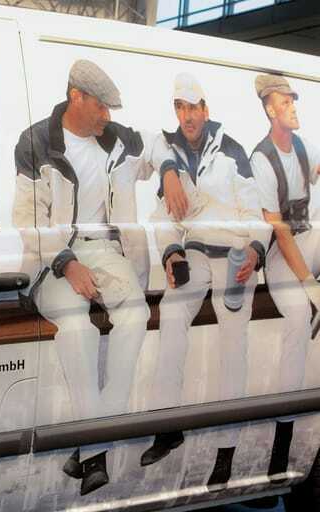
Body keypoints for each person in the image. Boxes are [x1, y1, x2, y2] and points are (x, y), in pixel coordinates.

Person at [13, 59, 185, 496]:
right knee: (77, 329)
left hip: (109, 251)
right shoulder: (37, 142)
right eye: (102, 106)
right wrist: (68, 263)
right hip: (55, 253)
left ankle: (92, 447)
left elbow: (162, 145)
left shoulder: (119, 140)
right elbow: (27, 219)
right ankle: (96, 451)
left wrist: (167, 172)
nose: (108, 115)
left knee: (133, 316)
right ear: (77, 97)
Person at [141, 73, 270, 492]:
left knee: (232, 346)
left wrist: (254, 248)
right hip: (195, 251)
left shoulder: (232, 152)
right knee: (173, 317)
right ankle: (168, 426)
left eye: (193, 107)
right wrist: (170, 251)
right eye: (180, 107)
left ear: (206, 110)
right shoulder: (171, 156)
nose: (187, 115)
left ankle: (225, 453)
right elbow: (163, 219)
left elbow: (256, 212)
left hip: (235, 253)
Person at [250, 74, 320, 484]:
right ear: (270, 109)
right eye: (286, 102)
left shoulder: (302, 145)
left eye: (294, 100)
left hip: (307, 239)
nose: (294, 107)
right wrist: (310, 286)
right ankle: (282, 440)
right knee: (296, 319)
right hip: (280, 254)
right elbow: (279, 231)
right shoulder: (263, 158)